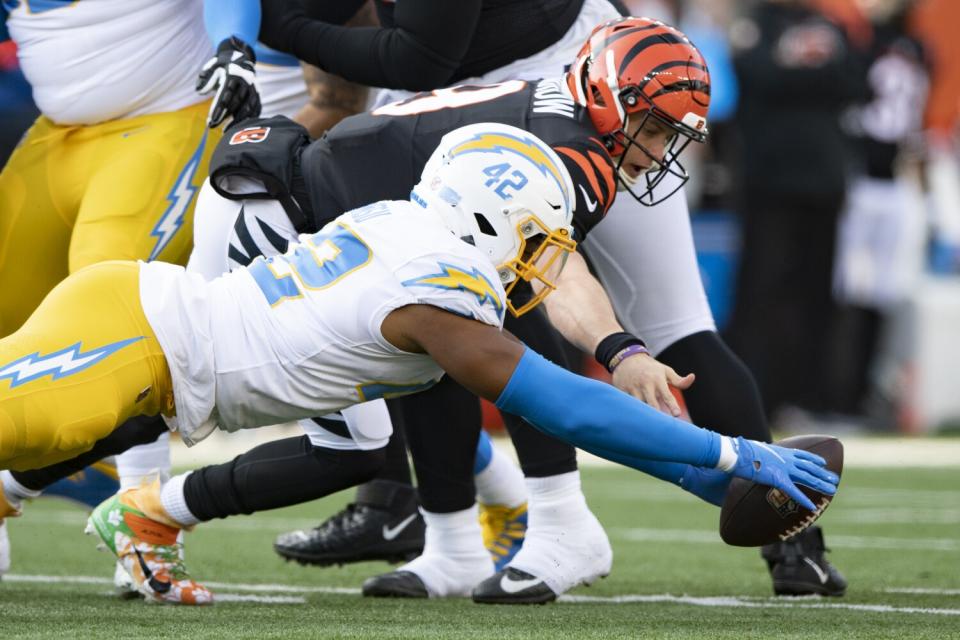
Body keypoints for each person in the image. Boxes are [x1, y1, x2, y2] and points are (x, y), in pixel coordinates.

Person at [0, 123, 838, 603]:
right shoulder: (438, 292)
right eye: (539, 240)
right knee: (24, 432)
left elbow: (512, 418)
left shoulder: (410, 228)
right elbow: (568, 408)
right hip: (131, 341)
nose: (541, 264)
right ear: (491, 217)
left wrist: (700, 481)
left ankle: (143, 516)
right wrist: (727, 454)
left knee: (34, 445)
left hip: (149, 349)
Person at [0, 0, 262, 583]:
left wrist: (234, 45)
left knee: (114, 320)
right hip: (59, 136)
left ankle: (143, 514)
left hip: (165, 119)